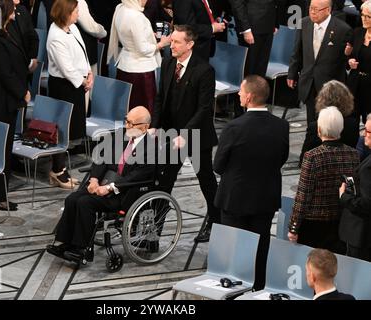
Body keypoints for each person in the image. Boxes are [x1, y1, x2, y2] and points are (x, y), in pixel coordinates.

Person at [46, 106, 157, 263]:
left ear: (145, 127)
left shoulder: (150, 149)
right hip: (104, 181)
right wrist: (94, 179)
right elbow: (102, 158)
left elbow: (135, 177)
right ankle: (65, 243)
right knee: (72, 199)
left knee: (85, 203)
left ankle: (81, 249)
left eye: (132, 124)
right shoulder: (121, 136)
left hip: (125, 192)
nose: (127, 126)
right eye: (127, 121)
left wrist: (109, 188)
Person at [214, 75, 289, 290]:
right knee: (261, 246)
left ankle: (236, 291)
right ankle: (258, 288)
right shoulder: (281, 126)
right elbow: (281, 159)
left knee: (236, 250)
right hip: (265, 198)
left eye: (240, 91)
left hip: (234, 200)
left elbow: (218, 165)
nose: (237, 93)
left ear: (248, 97)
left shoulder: (234, 127)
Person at [150, 24, 219, 243]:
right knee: (164, 181)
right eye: (172, 41)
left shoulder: (204, 70)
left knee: (206, 180)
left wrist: (186, 134)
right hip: (172, 135)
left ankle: (216, 221)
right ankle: (155, 229)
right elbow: (161, 97)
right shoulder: (168, 62)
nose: (172, 45)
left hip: (196, 136)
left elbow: (204, 108)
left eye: (177, 42)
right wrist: (155, 124)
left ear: (190, 44)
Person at [0, 0, 30, 211]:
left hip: (6, 101)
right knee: (1, 149)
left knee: (5, 148)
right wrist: (22, 92)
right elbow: (4, 72)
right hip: (0, 102)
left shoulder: (3, 32)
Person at [288, 107, 360, 253]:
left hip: (312, 227)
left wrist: (293, 228)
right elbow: (352, 189)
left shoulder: (312, 157)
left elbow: (303, 197)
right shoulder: (353, 155)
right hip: (340, 224)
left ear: (319, 129)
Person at [46, 0, 92, 189]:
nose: (78, 14)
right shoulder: (55, 35)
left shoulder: (71, 28)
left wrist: (89, 73)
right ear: (65, 13)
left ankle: (61, 169)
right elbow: (66, 68)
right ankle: (57, 171)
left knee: (70, 130)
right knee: (61, 130)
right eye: (75, 11)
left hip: (78, 84)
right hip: (64, 87)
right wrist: (83, 81)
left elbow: (83, 52)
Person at [287, 0, 353, 124]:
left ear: (328, 10)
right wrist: (292, 73)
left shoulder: (343, 29)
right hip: (309, 81)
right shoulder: (304, 23)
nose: (312, 12)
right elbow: (297, 51)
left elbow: (344, 60)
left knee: (327, 124)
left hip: (329, 86)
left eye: (316, 9)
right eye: (311, 8)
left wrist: (348, 56)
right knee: (311, 123)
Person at [107, 0, 170, 112]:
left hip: (125, 65)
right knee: (142, 111)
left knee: (126, 107)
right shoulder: (136, 17)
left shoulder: (120, 8)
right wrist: (162, 44)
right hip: (140, 70)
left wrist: (149, 34)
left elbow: (132, 35)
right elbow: (143, 49)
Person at [299, 80, 360, 166]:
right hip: (346, 168)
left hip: (321, 170)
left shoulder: (315, 126)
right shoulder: (353, 124)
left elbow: (304, 160)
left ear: (321, 100)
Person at [339, 114, 371, 261]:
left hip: (361, 234)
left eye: (368, 131)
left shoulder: (368, 168)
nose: (364, 134)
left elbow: (366, 204)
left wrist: (344, 196)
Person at [229, 0, 285, 77]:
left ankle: (258, 89)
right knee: (249, 69)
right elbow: (237, 3)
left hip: (268, 26)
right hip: (251, 28)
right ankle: (247, 89)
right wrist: (246, 29)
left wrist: (275, 22)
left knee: (262, 68)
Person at [347, 0, 371, 125]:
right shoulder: (357, 32)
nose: (364, 19)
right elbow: (349, 55)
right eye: (362, 15)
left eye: (368, 16)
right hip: (355, 83)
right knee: (351, 121)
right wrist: (349, 60)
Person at [7, 0, 39, 74]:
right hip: (9, 69)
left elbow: (33, 37)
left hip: (25, 66)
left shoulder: (22, 10)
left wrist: (31, 60)